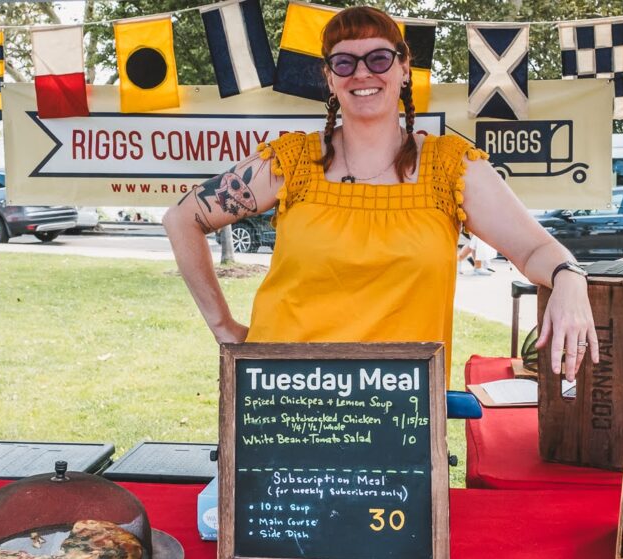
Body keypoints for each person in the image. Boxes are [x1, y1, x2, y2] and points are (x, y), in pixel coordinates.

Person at [162, 6, 598, 383]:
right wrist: (225, 329)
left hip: (400, 413)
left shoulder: (450, 166)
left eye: (379, 58)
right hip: (282, 394)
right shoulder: (291, 160)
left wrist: (569, 277)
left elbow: (535, 248)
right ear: (329, 78)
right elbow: (182, 219)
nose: (363, 73)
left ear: (404, 69)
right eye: (345, 63)